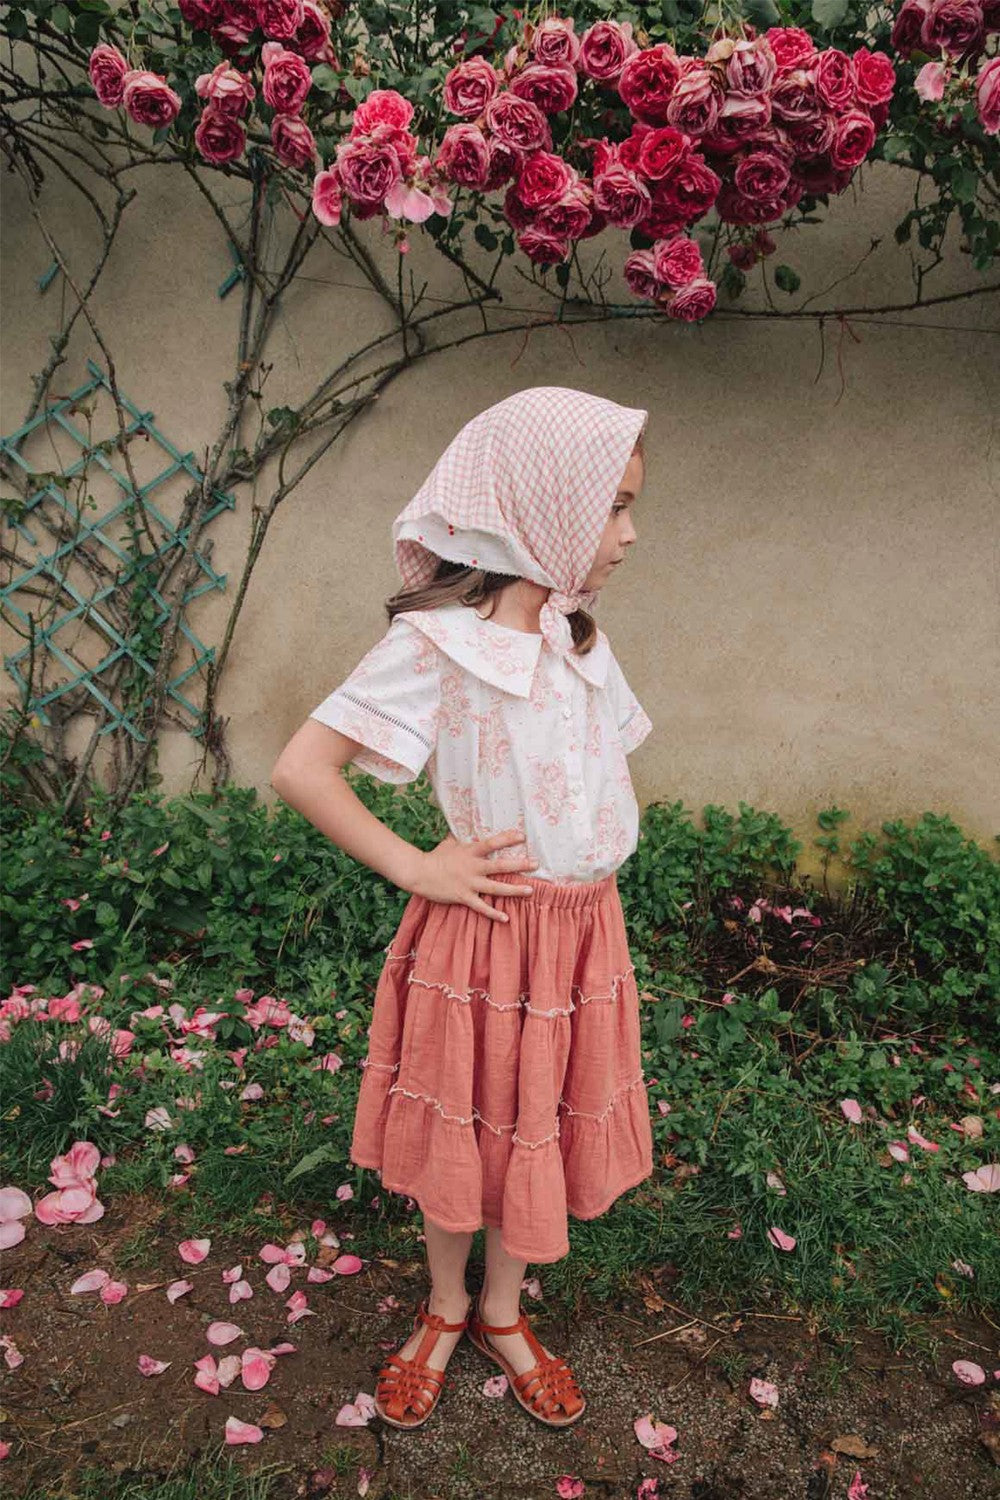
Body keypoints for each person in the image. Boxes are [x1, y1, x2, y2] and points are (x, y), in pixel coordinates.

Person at [271, 385, 655, 1432]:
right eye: (614, 507)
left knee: (535, 1120)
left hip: (579, 941)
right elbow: (303, 768)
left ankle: (500, 1312)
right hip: (485, 936)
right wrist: (416, 866)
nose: (628, 535)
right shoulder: (437, 645)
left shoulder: (579, 637)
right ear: (539, 507)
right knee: (469, 1125)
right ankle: (445, 1305)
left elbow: (592, 770)